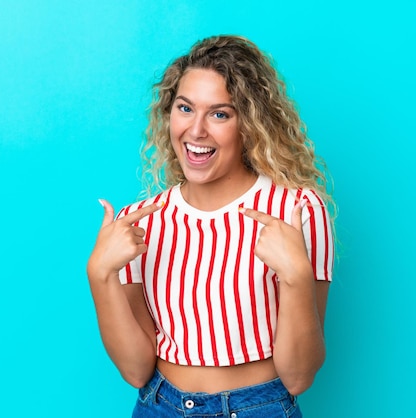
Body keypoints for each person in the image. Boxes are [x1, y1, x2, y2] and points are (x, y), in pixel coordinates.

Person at [87, 35, 334, 418]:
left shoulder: (297, 210)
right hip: (160, 406)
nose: (197, 130)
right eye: (186, 108)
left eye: (220, 114)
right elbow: (136, 370)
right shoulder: (140, 222)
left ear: (250, 124)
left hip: (260, 408)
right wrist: (100, 274)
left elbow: (299, 377)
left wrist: (297, 276)